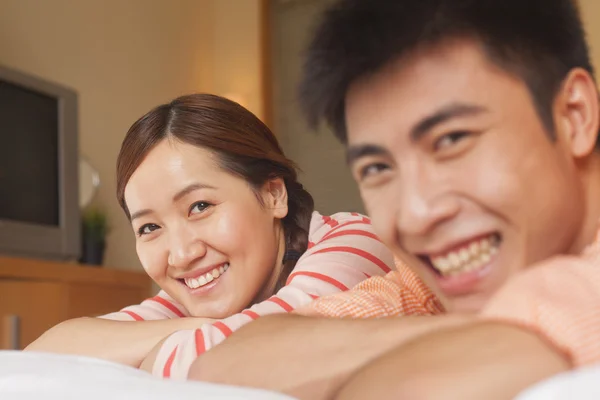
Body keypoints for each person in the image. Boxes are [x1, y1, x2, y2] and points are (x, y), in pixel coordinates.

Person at [185, 0, 600, 399]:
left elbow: (414, 389)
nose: (417, 215)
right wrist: (483, 332)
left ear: (574, 115)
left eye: (452, 140)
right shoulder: (426, 282)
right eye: (377, 169)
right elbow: (223, 367)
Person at [25, 93, 395, 379]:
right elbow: (38, 359)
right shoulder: (192, 297)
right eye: (150, 227)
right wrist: (198, 330)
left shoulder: (357, 241)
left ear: (273, 194)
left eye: (200, 206)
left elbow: (265, 354)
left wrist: (149, 353)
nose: (182, 255)